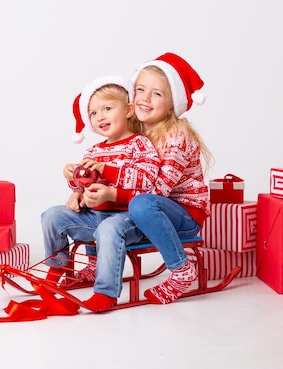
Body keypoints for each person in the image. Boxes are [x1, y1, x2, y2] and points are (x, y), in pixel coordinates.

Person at [84, 52, 213, 311]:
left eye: (157, 94)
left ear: (171, 105)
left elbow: (158, 192)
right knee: (104, 207)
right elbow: (124, 176)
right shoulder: (136, 132)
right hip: (149, 208)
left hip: (184, 213)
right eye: (140, 89)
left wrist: (114, 194)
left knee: (141, 204)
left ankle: (181, 270)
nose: (144, 98)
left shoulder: (176, 136)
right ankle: (96, 263)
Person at [41, 76, 160, 287]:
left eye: (107, 109)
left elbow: (148, 181)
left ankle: (105, 289)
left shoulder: (139, 144)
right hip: (94, 217)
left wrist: (109, 175)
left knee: (108, 228)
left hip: (128, 220)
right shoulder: (93, 151)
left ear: (128, 110)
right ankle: (59, 266)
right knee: (52, 215)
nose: (100, 117)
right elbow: (85, 185)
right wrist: (75, 186)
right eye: (93, 113)